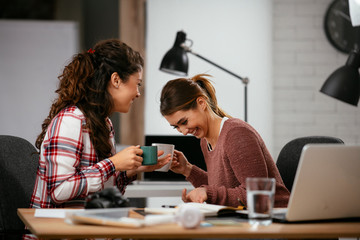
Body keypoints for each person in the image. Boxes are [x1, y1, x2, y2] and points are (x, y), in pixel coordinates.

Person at [30, 39, 170, 210]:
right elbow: (59, 191)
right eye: (137, 84)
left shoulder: (104, 123)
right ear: (116, 80)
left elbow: (102, 191)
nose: (138, 93)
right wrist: (112, 164)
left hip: (86, 228)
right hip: (59, 231)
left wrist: (130, 171)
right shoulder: (71, 120)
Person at [160, 74, 290, 208]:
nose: (184, 131)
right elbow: (222, 188)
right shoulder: (205, 141)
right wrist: (187, 169)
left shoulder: (236, 134)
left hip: (274, 219)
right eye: (177, 127)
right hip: (243, 219)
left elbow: (257, 194)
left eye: (184, 122)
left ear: (201, 103)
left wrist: (207, 192)